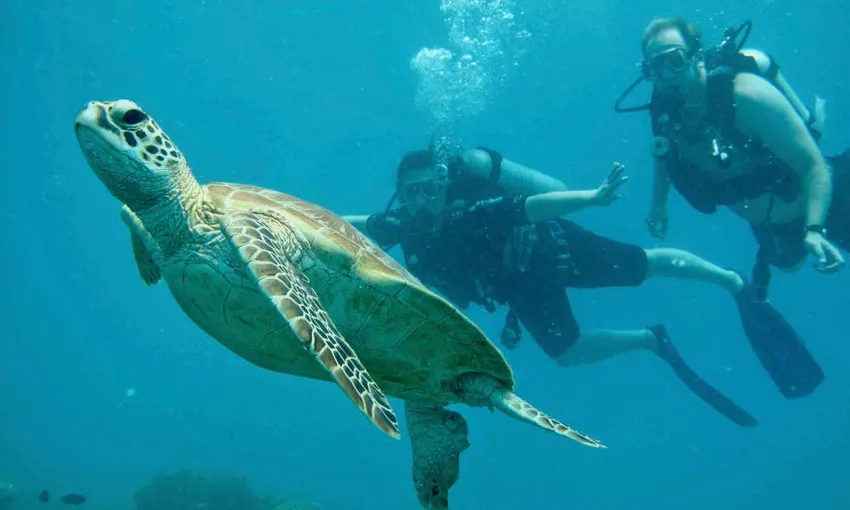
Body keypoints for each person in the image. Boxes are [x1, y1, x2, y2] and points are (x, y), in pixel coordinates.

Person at [345, 146, 758, 427]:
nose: (425, 200)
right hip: (523, 289)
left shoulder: (469, 213)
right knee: (568, 354)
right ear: (401, 194)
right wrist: (300, 218)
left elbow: (531, 206)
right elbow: (353, 225)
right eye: (414, 192)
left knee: (644, 265)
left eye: (433, 188)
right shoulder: (402, 225)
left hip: (553, 249)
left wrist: (593, 198)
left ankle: (730, 280)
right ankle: (651, 339)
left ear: (444, 184)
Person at [615, 17, 840, 398]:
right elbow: (663, 155)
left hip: (827, 200)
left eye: (674, 60)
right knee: (790, 264)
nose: (665, 75)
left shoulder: (746, 96)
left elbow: (813, 166)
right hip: (771, 224)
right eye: (654, 67)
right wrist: (659, 206)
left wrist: (815, 228)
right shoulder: (665, 112)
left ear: (697, 56)